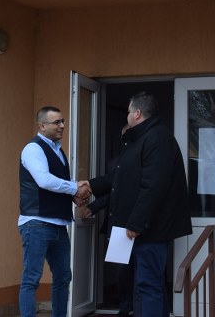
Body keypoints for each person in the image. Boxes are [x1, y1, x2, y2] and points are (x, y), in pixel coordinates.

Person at [89, 92, 192, 317]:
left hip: (147, 230)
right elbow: (120, 180)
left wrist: (137, 223)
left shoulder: (157, 138)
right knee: (143, 283)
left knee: (148, 284)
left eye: (128, 111)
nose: (126, 115)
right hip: (133, 228)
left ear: (137, 113)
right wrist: (89, 185)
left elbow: (153, 186)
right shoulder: (138, 140)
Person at [18, 106, 90, 317]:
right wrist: (75, 187)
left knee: (63, 277)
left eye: (63, 121)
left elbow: (58, 182)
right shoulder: (33, 148)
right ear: (42, 126)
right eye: (57, 122)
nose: (62, 126)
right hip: (36, 223)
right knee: (31, 279)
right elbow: (44, 180)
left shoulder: (58, 150)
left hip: (58, 224)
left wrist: (74, 193)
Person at [80, 125, 135, 317]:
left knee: (143, 269)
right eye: (125, 136)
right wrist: (93, 206)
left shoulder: (147, 160)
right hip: (119, 224)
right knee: (121, 269)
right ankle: (126, 305)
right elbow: (112, 192)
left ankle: (140, 306)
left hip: (142, 223)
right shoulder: (114, 164)